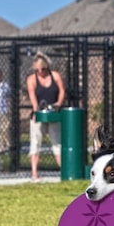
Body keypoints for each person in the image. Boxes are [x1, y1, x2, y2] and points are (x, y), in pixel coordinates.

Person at [26, 51, 66, 181]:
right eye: (38, 70)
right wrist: (36, 110)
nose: (40, 72)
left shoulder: (55, 76)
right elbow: (32, 96)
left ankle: (63, 171)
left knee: (57, 143)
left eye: (43, 69)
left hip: (54, 114)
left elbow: (61, 90)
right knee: (36, 142)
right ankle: (34, 174)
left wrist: (58, 104)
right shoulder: (31, 79)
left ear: (47, 67)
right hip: (39, 115)